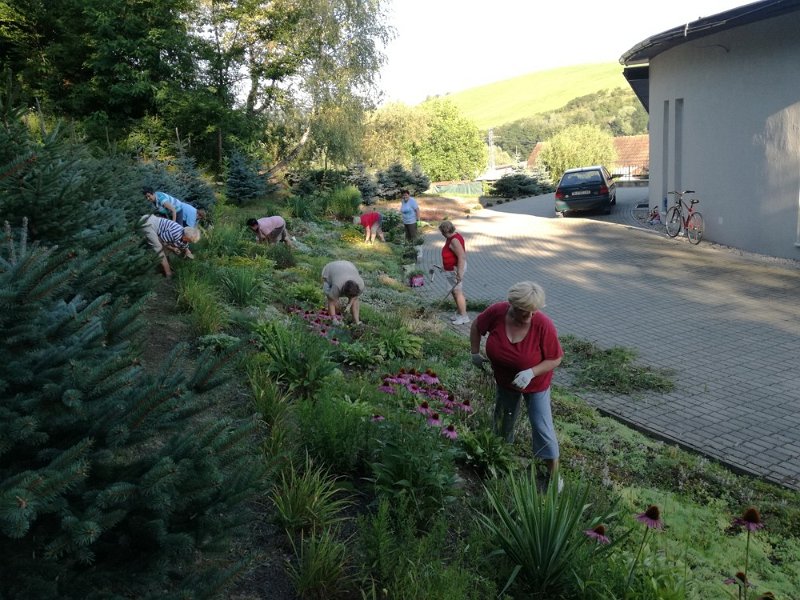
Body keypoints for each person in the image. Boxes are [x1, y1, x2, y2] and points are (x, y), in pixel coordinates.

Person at [469, 281, 564, 487]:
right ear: (513, 306)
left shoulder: (543, 325)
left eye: (533, 311)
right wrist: (475, 352)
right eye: (525, 312)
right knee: (503, 421)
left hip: (536, 383)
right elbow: (477, 325)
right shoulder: (496, 312)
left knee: (542, 426)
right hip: (505, 381)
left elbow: (555, 358)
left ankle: (555, 476)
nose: (530, 316)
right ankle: (500, 461)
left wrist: (531, 372)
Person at [139, 214, 201, 278]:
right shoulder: (175, 233)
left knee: (164, 246)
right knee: (159, 248)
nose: (189, 242)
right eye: (190, 241)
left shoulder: (184, 232)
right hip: (148, 224)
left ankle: (163, 266)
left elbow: (184, 244)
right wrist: (172, 249)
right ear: (185, 237)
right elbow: (161, 240)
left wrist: (188, 251)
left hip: (151, 218)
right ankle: (168, 273)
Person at [439, 220, 469, 325]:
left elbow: (462, 257)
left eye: (442, 232)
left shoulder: (454, 240)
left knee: (457, 292)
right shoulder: (452, 237)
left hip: (456, 269)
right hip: (452, 268)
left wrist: (459, 274)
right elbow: (451, 255)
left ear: (444, 231)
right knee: (454, 292)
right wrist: (445, 266)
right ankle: (460, 312)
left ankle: (464, 316)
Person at [321, 260, 365, 324]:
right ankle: (334, 319)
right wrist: (334, 318)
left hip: (347, 265)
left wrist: (349, 305)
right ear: (344, 290)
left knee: (355, 301)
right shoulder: (337, 286)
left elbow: (355, 297)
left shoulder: (361, 284)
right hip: (329, 270)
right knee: (333, 300)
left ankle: (356, 321)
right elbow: (331, 301)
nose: (350, 297)